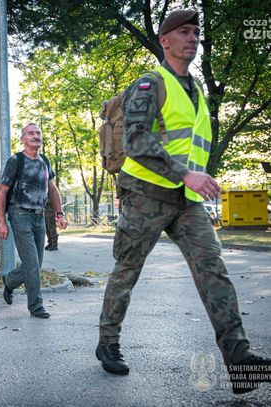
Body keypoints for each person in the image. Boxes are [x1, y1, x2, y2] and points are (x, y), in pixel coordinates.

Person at [95, 9, 270, 394]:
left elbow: (190, 143)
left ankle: (239, 360)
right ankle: (107, 342)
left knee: (213, 270)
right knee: (127, 270)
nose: (192, 38)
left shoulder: (196, 91)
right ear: (165, 41)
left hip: (187, 201)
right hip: (145, 195)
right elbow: (135, 139)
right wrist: (185, 173)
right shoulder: (149, 84)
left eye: (196, 32)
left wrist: (198, 177)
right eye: (184, 32)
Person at [0, 123, 68, 318]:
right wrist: (1, 221)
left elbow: (52, 188)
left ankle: (9, 281)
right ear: (22, 139)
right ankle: (36, 306)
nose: (35, 136)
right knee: (32, 264)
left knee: (34, 264)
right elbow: (1, 191)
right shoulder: (16, 161)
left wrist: (60, 213)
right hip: (19, 215)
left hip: (39, 216)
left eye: (38, 133)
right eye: (30, 133)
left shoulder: (44, 160)